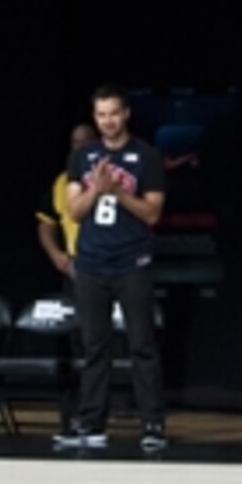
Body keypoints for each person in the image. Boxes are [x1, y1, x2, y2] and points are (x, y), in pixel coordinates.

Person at [53, 84, 167, 452]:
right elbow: (74, 211)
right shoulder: (82, 157)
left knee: (142, 346)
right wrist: (96, 189)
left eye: (113, 114)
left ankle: (152, 424)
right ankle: (91, 423)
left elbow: (152, 213)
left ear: (126, 113)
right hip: (91, 264)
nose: (108, 122)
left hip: (132, 263)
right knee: (94, 348)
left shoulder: (147, 156)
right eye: (101, 115)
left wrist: (118, 194)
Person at [36, 122, 98, 291]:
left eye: (86, 142)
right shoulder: (62, 182)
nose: (80, 147)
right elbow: (46, 222)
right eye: (76, 142)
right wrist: (56, 254)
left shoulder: (116, 178)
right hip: (76, 265)